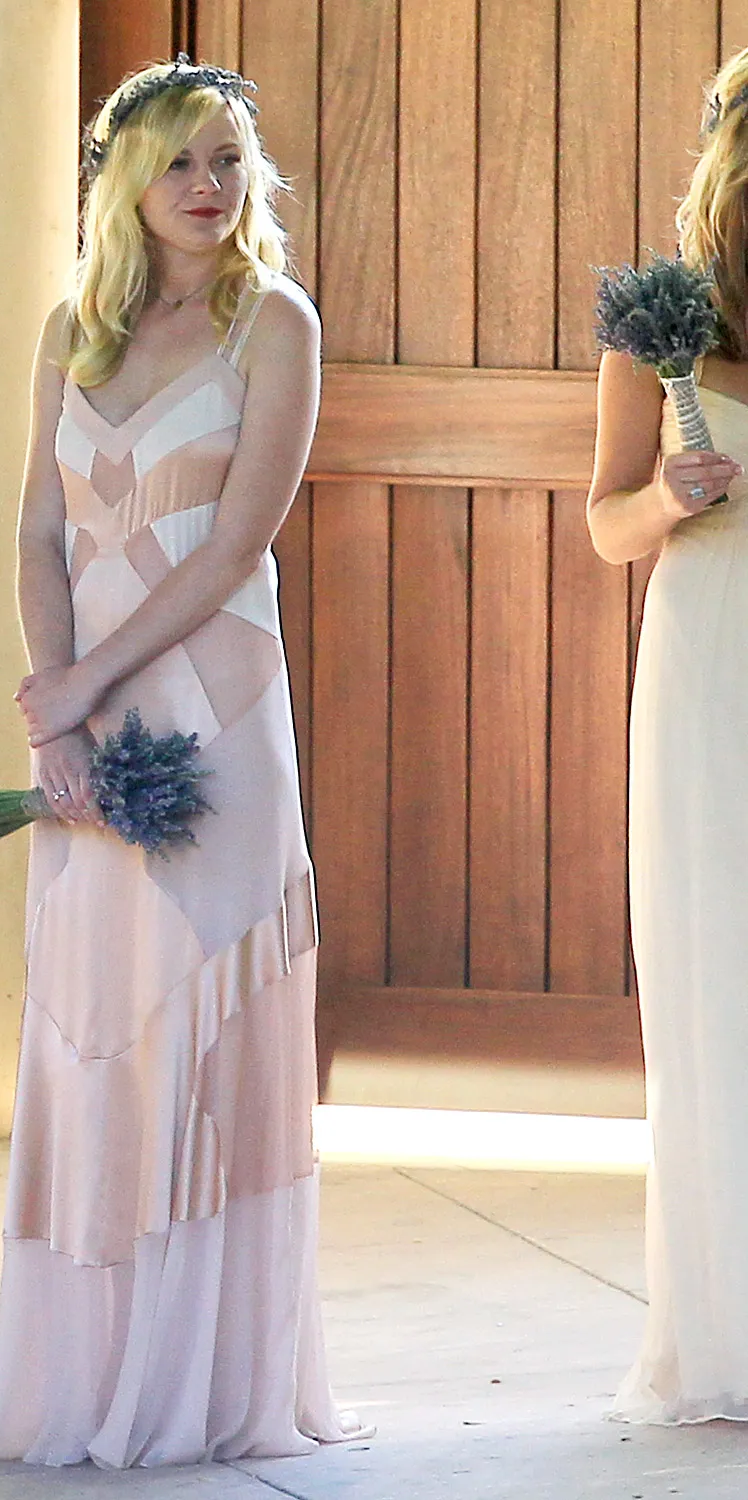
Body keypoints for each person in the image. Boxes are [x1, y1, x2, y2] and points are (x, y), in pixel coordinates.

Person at [0, 58, 357, 1467]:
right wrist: (60, 718)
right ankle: (87, 1378)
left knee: (201, 1022)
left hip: (216, 718)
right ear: (126, 180)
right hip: (86, 724)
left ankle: (206, 1382)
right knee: (95, 1028)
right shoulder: (72, 327)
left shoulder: (275, 324)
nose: (209, 187)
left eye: (230, 160)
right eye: (182, 161)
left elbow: (240, 544)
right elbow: (37, 532)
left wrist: (90, 680)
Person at [588, 47, 748, 1424]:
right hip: (715, 668)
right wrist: (670, 498)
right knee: (721, 975)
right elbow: (605, 523)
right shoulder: (665, 327)